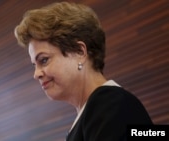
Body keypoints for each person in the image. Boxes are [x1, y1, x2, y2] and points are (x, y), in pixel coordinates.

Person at [14, 1, 153, 141]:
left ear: (80, 52)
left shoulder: (112, 105)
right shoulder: (95, 112)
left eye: (44, 60)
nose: (36, 74)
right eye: (34, 65)